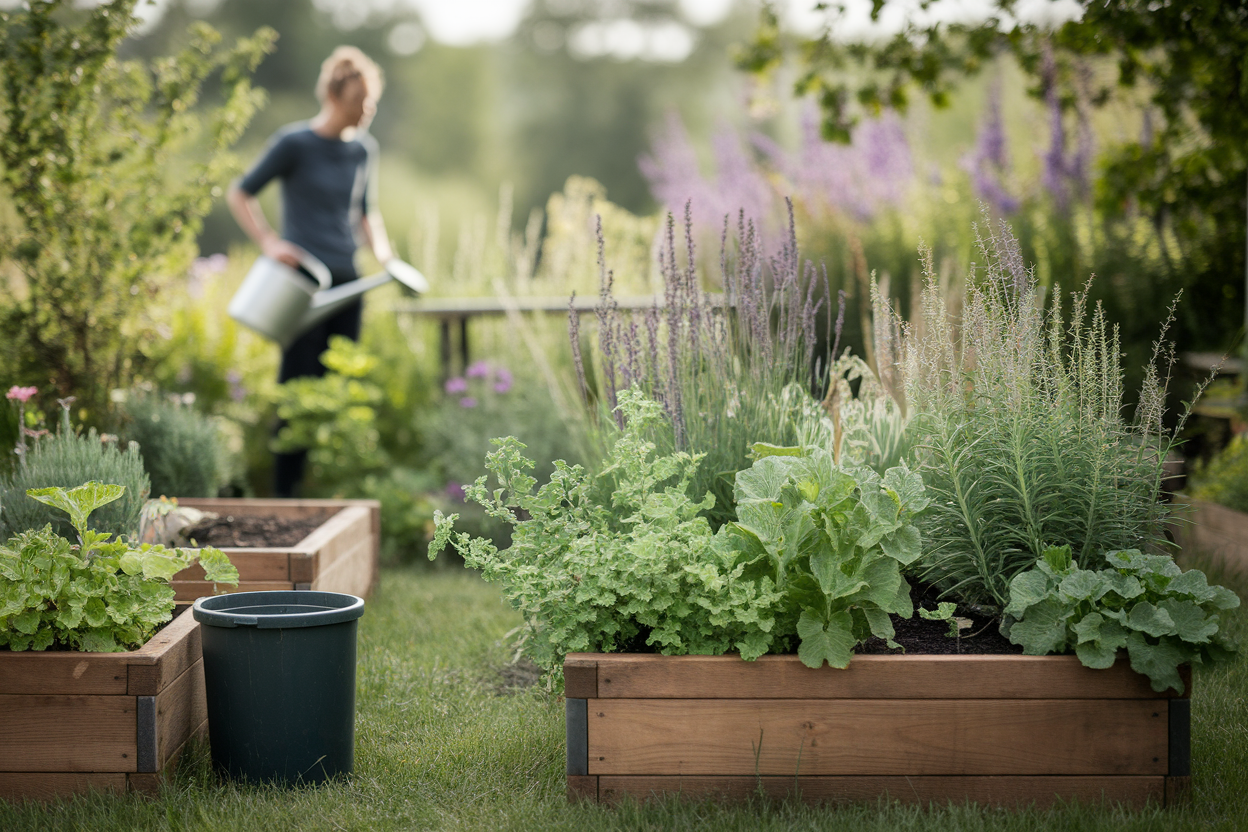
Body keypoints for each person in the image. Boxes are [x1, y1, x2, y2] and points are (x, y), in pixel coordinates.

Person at [227, 46, 395, 497]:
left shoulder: (363, 150)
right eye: (362, 99)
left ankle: (332, 490)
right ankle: (287, 494)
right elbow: (240, 193)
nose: (369, 108)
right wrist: (269, 242)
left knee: (340, 388)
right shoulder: (294, 144)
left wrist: (385, 255)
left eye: (372, 99)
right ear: (336, 96)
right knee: (297, 387)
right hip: (302, 285)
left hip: (350, 281)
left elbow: (366, 212)